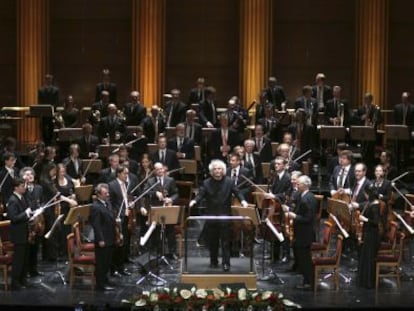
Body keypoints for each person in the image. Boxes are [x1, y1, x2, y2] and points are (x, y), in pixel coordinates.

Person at [189, 159, 248, 272]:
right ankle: (213, 261)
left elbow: (237, 192)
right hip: (212, 216)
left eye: (219, 169)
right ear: (211, 171)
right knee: (213, 241)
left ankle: (226, 263)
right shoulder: (206, 183)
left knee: (226, 242)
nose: (217, 171)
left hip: (225, 216)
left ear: (223, 170)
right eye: (215, 169)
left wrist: (243, 201)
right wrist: (194, 201)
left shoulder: (229, 182)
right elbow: (200, 194)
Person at [282, 175, 316, 290]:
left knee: (305, 259)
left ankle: (309, 282)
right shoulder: (302, 195)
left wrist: (295, 216)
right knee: (301, 258)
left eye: (299, 183)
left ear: (306, 185)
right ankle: (306, 280)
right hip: (300, 232)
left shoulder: (309, 198)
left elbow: (308, 218)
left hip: (305, 234)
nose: (297, 185)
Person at [143, 162, 180, 259]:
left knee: (170, 230)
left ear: (164, 169)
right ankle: (159, 251)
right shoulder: (151, 181)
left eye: (161, 169)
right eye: (157, 169)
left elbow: (176, 194)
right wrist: (155, 193)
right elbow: (145, 192)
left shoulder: (170, 180)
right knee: (157, 231)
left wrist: (170, 199)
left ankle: (173, 252)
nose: (159, 171)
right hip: (157, 209)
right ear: (154, 171)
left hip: (167, 208)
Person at [89, 183, 116, 291]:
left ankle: (105, 279)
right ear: (99, 195)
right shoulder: (95, 207)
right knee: (101, 262)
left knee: (107, 261)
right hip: (103, 239)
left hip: (110, 237)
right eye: (105, 193)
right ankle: (100, 284)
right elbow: (96, 225)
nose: (108, 195)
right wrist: (100, 239)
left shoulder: (107, 203)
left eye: (108, 192)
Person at [7, 178, 33, 290]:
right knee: (18, 259)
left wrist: (31, 214)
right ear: (16, 187)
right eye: (22, 186)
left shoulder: (22, 197)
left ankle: (23, 279)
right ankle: (15, 282)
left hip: (25, 232)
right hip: (18, 234)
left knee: (25, 258)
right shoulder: (13, 200)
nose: (24, 187)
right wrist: (26, 213)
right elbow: (13, 218)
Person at [21, 167, 44, 277]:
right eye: (27, 174)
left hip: (37, 220)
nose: (30, 176)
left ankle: (34, 270)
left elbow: (42, 201)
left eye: (31, 174)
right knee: (27, 247)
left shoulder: (39, 188)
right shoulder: (22, 190)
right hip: (27, 220)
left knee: (36, 246)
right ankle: (26, 271)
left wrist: (41, 209)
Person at [357, 184, 381, 289]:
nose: (365, 196)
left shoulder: (375, 205)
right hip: (367, 233)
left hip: (372, 235)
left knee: (369, 258)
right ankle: (363, 281)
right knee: (365, 257)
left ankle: (368, 282)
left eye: (366, 194)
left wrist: (364, 219)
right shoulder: (370, 203)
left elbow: (375, 222)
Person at [392, 92, 414, 169]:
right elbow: (394, 120)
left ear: (408, 98)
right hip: (398, 132)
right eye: (403, 98)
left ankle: (406, 167)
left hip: (408, 132)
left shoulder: (412, 108)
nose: (404, 99)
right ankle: (397, 168)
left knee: (406, 151)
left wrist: (413, 131)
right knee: (397, 150)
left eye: (405, 98)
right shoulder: (397, 107)